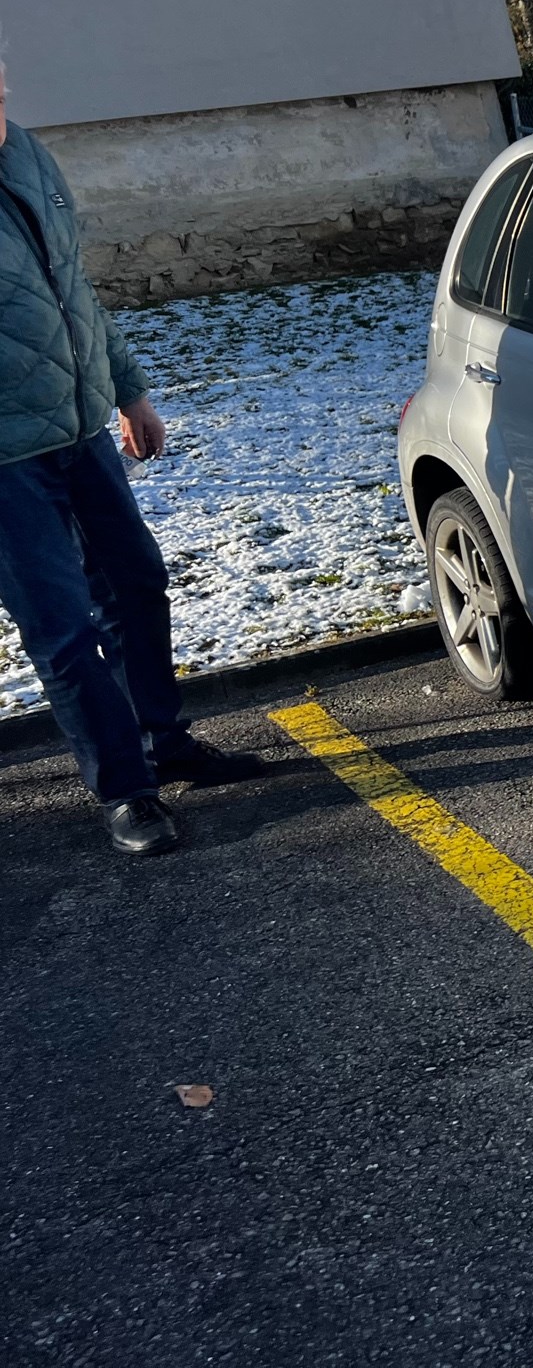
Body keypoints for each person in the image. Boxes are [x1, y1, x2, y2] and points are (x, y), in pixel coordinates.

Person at [0, 50, 262, 856]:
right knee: (63, 628)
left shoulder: (27, 152)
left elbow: (75, 287)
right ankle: (126, 791)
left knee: (138, 585)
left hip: (80, 432)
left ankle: (164, 741)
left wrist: (129, 390)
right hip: (6, 462)